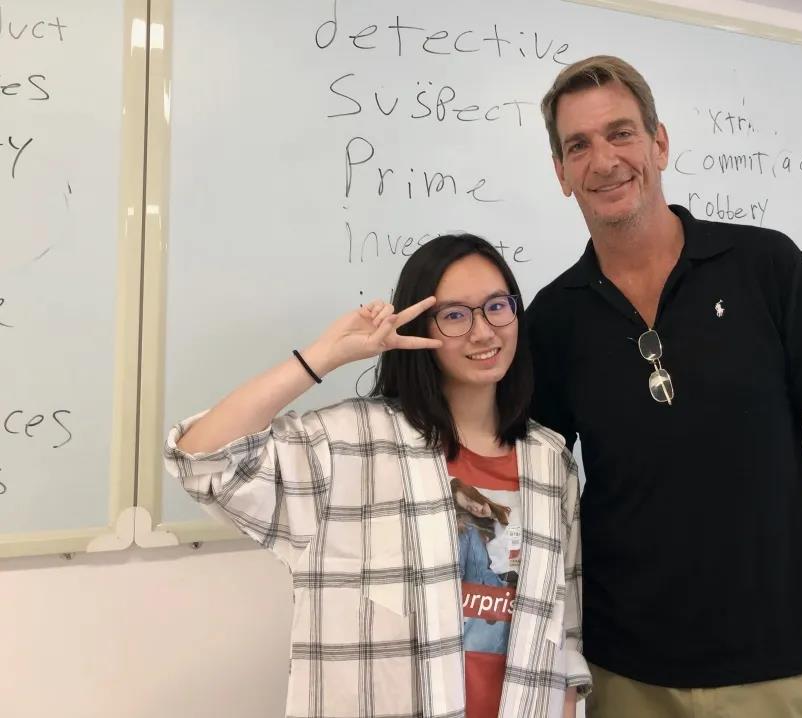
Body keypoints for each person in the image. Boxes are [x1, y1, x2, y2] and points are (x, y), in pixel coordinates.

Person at [528, 56, 802, 718]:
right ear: (562, 174)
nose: (604, 160)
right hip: (625, 679)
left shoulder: (766, 268)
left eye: (621, 133)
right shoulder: (552, 319)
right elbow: (535, 493)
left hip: (785, 669)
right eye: (579, 146)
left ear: (659, 143)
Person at [164, 234, 589, 718]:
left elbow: (564, 630)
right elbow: (204, 461)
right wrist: (324, 355)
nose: (482, 331)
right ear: (419, 327)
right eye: (454, 315)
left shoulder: (550, 461)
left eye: (496, 307)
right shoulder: (350, 443)